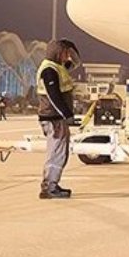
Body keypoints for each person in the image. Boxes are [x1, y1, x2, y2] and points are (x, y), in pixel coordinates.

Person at [36, 39, 80, 199]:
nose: (67, 56)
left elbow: (76, 63)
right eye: (65, 53)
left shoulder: (59, 67)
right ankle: (49, 187)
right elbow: (53, 96)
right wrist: (67, 115)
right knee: (56, 154)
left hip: (57, 118)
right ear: (57, 53)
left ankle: (52, 184)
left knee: (60, 153)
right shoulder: (49, 70)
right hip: (53, 118)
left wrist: (71, 47)